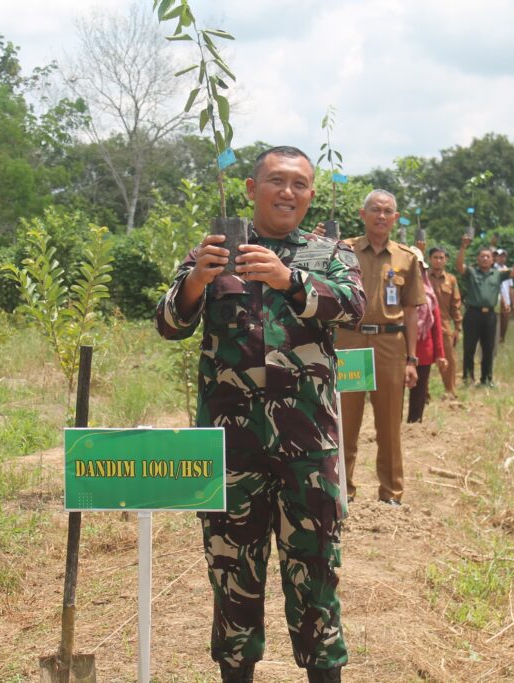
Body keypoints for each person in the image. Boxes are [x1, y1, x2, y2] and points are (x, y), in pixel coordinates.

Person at [155, 146, 364, 683]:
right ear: (252, 189)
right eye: (275, 181)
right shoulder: (218, 247)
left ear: (311, 193)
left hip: (308, 451)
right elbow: (168, 323)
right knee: (231, 579)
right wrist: (197, 281)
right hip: (232, 450)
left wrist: (287, 279)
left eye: (298, 183)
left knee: (316, 576)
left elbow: (354, 307)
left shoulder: (328, 251)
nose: (287, 192)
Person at [336, 189, 426, 506]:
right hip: (349, 340)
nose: (382, 216)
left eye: (388, 211)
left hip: (390, 344)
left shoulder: (407, 258)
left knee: (389, 423)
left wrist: (412, 359)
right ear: (363, 215)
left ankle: (391, 492)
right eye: (375, 210)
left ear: (396, 218)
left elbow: (413, 310)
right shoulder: (342, 251)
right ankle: (342, 491)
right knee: (345, 421)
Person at [455, 235, 514, 387]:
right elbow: (459, 266)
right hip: (473, 314)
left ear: (492, 260)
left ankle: (487, 379)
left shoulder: (498, 274)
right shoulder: (472, 272)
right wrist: (463, 248)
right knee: (469, 347)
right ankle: (468, 378)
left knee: (489, 348)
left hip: (490, 316)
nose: (485, 258)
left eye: (488, 256)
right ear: (478, 259)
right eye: (482, 256)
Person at [406, 252, 447, 422]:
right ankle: (392, 428)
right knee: (394, 391)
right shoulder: (394, 292)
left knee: (419, 390)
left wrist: (440, 354)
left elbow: (436, 328)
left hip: (423, 350)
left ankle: (414, 424)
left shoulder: (429, 295)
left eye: (420, 267)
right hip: (398, 348)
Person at [427, 247, 462, 399]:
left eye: (441, 257)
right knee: (424, 361)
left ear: (446, 260)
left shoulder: (451, 280)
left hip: (445, 326)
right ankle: (424, 393)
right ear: (430, 258)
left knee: (449, 360)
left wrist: (458, 328)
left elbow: (456, 305)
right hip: (425, 327)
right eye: (435, 257)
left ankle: (450, 391)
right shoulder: (422, 277)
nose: (438, 260)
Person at [493, 248, 514, 344]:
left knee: (505, 323)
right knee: (496, 322)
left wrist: (513, 302)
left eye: (503, 256)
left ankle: (502, 340)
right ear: (495, 257)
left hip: (507, 301)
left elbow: (510, 288)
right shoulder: (493, 269)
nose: (501, 258)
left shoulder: (507, 270)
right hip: (497, 301)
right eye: (499, 256)